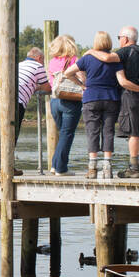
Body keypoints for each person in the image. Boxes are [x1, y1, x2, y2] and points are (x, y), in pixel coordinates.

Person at [74, 31, 139, 179]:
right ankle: (107, 166)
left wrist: (81, 84)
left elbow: (67, 72)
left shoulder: (87, 58)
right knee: (108, 131)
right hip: (111, 98)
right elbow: (122, 80)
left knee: (92, 131)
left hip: (91, 97)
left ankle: (92, 168)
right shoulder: (115, 60)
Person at [111, 26, 139, 178]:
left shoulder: (123, 52)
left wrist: (92, 52)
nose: (119, 40)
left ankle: (134, 168)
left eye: (119, 37)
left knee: (133, 133)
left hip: (130, 95)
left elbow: (123, 82)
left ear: (126, 38)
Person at [46, 35, 82, 176]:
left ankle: (55, 165)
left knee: (63, 134)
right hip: (70, 100)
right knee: (67, 134)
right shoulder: (74, 60)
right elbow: (82, 78)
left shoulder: (52, 62)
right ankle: (61, 167)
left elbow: (50, 82)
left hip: (55, 100)